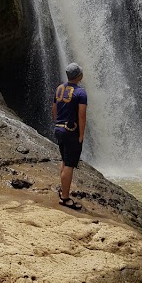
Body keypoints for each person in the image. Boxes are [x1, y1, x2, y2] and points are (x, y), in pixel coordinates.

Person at [53, 62, 87, 210]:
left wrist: (57, 123)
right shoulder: (81, 92)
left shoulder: (59, 88)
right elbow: (82, 116)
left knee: (64, 160)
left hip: (59, 129)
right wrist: (81, 135)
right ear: (79, 76)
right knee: (69, 164)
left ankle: (63, 191)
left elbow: (54, 109)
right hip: (71, 131)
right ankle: (65, 198)